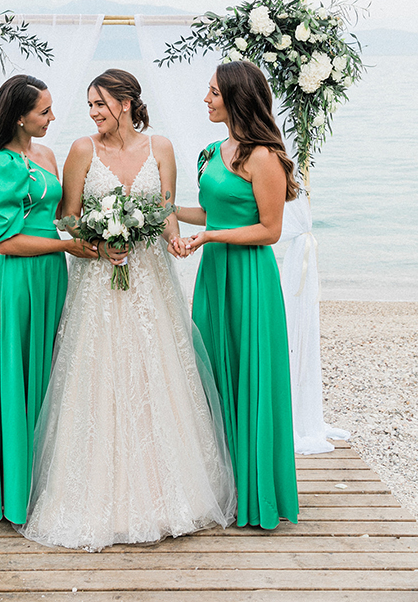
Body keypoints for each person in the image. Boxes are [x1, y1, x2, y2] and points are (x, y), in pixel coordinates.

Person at [21, 69, 236, 552]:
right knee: (96, 375)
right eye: (90, 104)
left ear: (125, 102)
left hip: (151, 279)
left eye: (101, 103)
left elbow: (164, 211)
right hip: (99, 278)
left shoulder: (160, 148)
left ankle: (168, 495)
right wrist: (98, 238)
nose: (94, 112)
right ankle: (93, 497)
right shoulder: (81, 150)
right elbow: (67, 216)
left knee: (155, 372)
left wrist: (176, 238)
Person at [0, 75, 97, 525]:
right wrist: (67, 247)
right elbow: (6, 241)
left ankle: (44, 482)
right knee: (16, 375)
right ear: (19, 116)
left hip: (52, 278)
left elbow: (61, 216)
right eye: (44, 111)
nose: (52, 117)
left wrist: (108, 231)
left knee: (51, 375)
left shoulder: (47, 155)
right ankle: (11, 491)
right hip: (18, 280)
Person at [176, 60, 299, 529]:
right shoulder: (211, 151)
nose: (205, 100)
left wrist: (210, 238)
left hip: (249, 278)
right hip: (215, 275)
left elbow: (269, 230)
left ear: (236, 97)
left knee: (250, 373)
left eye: (212, 93)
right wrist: (161, 211)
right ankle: (222, 487)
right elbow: (211, 212)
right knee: (212, 372)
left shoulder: (263, 156)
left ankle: (255, 493)